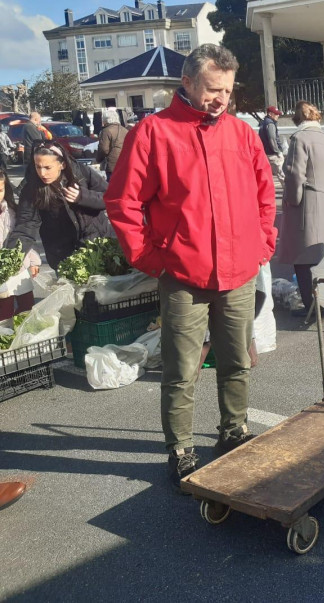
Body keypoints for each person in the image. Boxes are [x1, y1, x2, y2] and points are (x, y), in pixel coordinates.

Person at [105, 44, 277, 488]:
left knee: (237, 360)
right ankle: (179, 447)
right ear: (186, 82)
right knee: (181, 371)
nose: (221, 98)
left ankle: (233, 428)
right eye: (212, 88)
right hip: (183, 276)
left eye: (227, 90)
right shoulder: (153, 132)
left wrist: (263, 242)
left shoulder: (241, 134)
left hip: (239, 272)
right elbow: (123, 202)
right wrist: (148, 257)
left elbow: (264, 193)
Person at [277, 101, 324, 315]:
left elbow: (295, 175)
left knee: (303, 260)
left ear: (297, 119)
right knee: (321, 259)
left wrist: (292, 200)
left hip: (306, 206)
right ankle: (323, 303)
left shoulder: (300, 139)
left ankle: (311, 308)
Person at [5, 144, 112, 270]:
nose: (42, 173)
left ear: (62, 165)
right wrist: (11, 257)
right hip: (63, 255)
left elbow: (111, 198)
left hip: (96, 246)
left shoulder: (81, 172)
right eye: (38, 167)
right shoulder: (32, 189)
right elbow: (26, 226)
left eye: (47, 167)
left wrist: (84, 197)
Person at [0, 170, 41, 277]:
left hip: (18, 272)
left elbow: (25, 237)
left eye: (0, 190)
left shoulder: (13, 211)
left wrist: (33, 260)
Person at [96, 109, 128, 180]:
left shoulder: (106, 131)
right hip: (125, 163)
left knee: (112, 186)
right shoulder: (125, 130)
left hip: (113, 165)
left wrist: (98, 159)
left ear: (105, 120)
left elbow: (103, 149)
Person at [258, 105, 286, 183]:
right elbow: (272, 139)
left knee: (268, 177)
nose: (278, 116)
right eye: (276, 114)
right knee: (282, 176)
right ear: (270, 114)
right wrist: (278, 152)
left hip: (266, 153)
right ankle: (289, 194)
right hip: (273, 154)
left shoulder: (263, 123)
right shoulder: (270, 124)